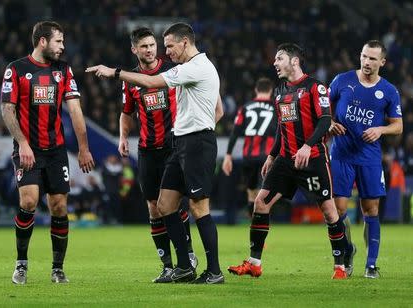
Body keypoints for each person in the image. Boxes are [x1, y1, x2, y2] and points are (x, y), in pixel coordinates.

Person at [86, 22, 224, 284]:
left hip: (195, 143)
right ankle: (183, 266)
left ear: (185, 42)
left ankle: (214, 271)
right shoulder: (187, 68)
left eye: (169, 46)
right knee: (163, 205)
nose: (165, 52)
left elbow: (151, 82)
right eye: (158, 46)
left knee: (198, 207)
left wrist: (114, 72)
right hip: (178, 144)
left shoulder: (196, 67)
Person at [228, 43, 348, 279]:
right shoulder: (280, 90)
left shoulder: (316, 87)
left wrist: (307, 145)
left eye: (279, 58)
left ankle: (340, 267)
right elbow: (282, 129)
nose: (274, 63)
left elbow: (325, 121)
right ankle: (254, 263)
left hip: (312, 160)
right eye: (274, 59)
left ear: (294, 61)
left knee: (329, 212)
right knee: (260, 203)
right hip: (285, 160)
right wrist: (272, 156)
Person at [0, 21, 95, 285]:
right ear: (42, 41)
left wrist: (84, 148)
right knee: (29, 202)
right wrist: (23, 143)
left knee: (59, 206)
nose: (63, 47)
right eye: (58, 42)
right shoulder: (16, 69)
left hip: (55, 151)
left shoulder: (63, 70)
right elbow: (7, 110)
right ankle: (21, 264)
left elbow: (75, 109)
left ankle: (57, 268)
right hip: (27, 149)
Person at [119, 27, 197, 282]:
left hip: (173, 147)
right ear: (135, 50)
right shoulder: (130, 80)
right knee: (153, 208)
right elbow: (126, 112)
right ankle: (167, 265)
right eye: (144, 46)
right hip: (147, 150)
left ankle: (187, 254)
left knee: (174, 204)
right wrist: (123, 137)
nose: (150, 50)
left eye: (153, 45)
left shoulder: (172, 71)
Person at [328, 40, 403, 279]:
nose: (366, 62)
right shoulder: (341, 81)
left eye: (372, 58)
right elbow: (324, 111)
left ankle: (371, 265)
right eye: (363, 56)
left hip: (369, 158)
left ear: (382, 62)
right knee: (338, 209)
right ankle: (347, 252)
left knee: (370, 210)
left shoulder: (389, 91)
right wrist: (329, 124)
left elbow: (398, 126)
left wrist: (380, 130)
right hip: (341, 154)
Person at [222, 77, 277, 217]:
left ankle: (253, 219)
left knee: (251, 192)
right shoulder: (276, 108)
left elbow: (235, 133)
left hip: (249, 155)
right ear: (270, 91)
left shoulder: (245, 108)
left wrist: (228, 155)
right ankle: (264, 220)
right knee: (268, 190)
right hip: (268, 156)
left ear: (256, 90)